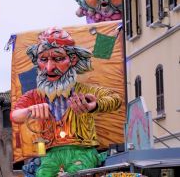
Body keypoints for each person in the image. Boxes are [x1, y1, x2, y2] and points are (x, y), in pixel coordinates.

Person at [11, 28, 122, 176]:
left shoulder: (84, 91)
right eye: (43, 60)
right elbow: (15, 115)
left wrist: (94, 106)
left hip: (82, 152)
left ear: (73, 60)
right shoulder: (35, 95)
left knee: (78, 172)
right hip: (51, 154)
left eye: (58, 59)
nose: (49, 68)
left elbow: (115, 98)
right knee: (43, 174)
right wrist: (30, 111)